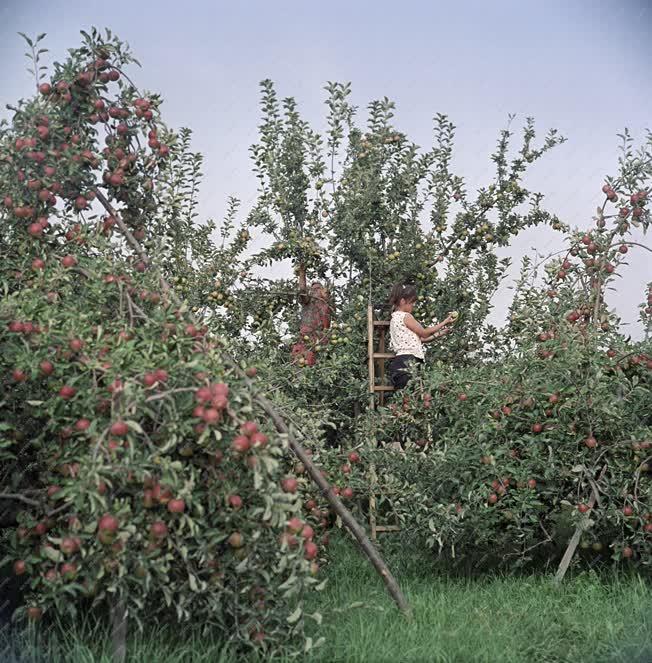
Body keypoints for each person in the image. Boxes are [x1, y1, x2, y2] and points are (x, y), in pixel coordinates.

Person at [387, 283, 455, 390]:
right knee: (412, 399)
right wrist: (444, 322)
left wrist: (441, 333)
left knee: (405, 401)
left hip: (402, 362)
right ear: (403, 301)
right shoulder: (406, 316)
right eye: (411, 303)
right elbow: (424, 333)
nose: (413, 306)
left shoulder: (395, 318)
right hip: (408, 362)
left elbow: (422, 339)